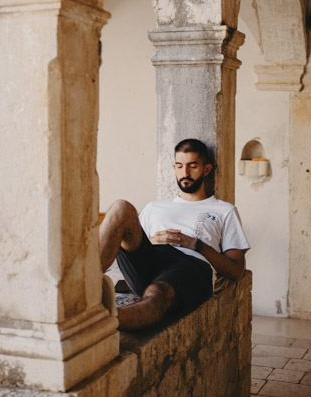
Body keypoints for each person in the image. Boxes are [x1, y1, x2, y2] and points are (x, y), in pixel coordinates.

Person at [99, 138, 250, 330]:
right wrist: (152, 240)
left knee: (157, 293)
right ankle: (85, 286)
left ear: (206, 169)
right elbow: (133, 240)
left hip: (190, 265)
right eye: (179, 166)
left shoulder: (224, 211)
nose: (185, 173)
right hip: (151, 259)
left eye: (192, 166)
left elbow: (236, 271)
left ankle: (104, 320)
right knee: (122, 208)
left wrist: (196, 245)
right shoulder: (154, 207)